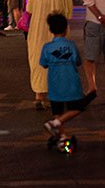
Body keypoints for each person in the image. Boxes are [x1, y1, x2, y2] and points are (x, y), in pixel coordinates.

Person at [37, 12, 95, 144]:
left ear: (50, 30)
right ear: (66, 28)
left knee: (57, 111)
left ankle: (62, 135)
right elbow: (78, 61)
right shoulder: (71, 46)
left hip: (55, 86)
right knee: (78, 107)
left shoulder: (47, 48)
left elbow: (43, 64)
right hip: (71, 85)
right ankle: (56, 124)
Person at [25, 0, 73, 111]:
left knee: (38, 61)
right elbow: (68, 11)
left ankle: (39, 96)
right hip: (58, 31)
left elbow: (29, 8)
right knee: (58, 62)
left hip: (38, 29)